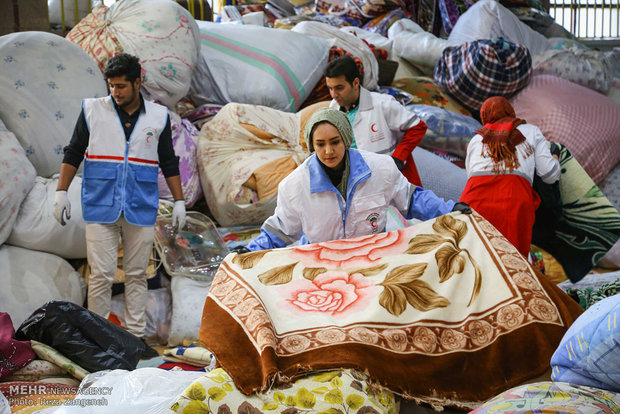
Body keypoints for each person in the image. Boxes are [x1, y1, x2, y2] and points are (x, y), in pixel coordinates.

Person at [53, 53, 186, 340]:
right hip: (101, 204)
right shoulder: (92, 110)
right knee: (101, 275)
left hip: (141, 205)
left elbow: (169, 160)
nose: (115, 92)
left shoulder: (158, 116)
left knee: (138, 274)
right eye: (111, 86)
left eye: (121, 86)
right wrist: (61, 191)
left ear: (137, 83)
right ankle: (98, 337)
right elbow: (74, 151)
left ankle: (135, 338)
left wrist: (179, 201)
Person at [246, 108, 461, 251]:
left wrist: (453, 211)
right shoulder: (295, 186)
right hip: (322, 265)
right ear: (313, 146)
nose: (328, 151)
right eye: (320, 144)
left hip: (373, 258)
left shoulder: (380, 169)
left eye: (335, 142)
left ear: (346, 140)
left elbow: (412, 200)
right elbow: (281, 230)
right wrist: (248, 252)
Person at [459, 96, 561, 258]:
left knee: (476, 261)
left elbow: (471, 176)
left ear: (485, 116)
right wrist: (555, 156)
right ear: (511, 112)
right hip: (513, 200)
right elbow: (549, 175)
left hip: (474, 202)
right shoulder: (531, 131)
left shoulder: (477, 139)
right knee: (512, 263)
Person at [325, 55, 427, 186]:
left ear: (355, 83)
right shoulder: (333, 108)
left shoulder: (383, 104)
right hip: (358, 183)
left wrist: (398, 158)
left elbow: (418, 127)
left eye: (339, 88)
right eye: (330, 88)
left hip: (393, 182)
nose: (333, 94)